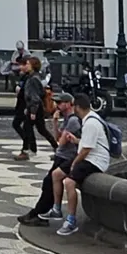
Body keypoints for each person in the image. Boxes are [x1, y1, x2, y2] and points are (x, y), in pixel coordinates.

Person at [17, 91, 82, 226]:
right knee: (48, 183)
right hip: (61, 155)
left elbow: (62, 142)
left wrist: (63, 137)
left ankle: (39, 212)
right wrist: (55, 121)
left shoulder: (73, 120)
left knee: (49, 182)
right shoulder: (67, 119)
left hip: (66, 158)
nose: (56, 105)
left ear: (69, 104)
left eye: (59, 103)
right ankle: (39, 212)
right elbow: (58, 138)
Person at [57, 91, 111, 237]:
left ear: (78, 107)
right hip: (90, 157)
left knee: (69, 182)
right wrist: (76, 141)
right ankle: (56, 209)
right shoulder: (89, 120)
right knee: (57, 174)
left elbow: (87, 150)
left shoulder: (91, 123)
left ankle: (71, 220)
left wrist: (75, 163)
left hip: (95, 160)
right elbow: (86, 144)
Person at [14, 57, 54, 160]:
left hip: (35, 107)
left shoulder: (33, 79)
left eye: (28, 64)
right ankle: (55, 147)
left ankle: (26, 151)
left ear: (33, 66)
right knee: (40, 129)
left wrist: (33, 110)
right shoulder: (32, 77)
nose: (26, 65)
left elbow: (35, 96)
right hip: (34, 107)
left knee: (30, 128)